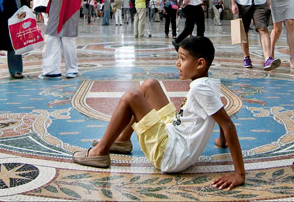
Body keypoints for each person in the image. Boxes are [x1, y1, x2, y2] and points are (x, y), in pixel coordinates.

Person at [71, 36, 246, 191]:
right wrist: (222, 142)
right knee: (150, 84)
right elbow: (222, 115)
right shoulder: (209, 84)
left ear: (200, 63)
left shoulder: (200, 88)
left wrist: (239, 173)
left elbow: (227, 124)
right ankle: (123, 141)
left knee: (131, 97)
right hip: (174, 135)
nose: (177, 63)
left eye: (182, 59)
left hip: (171, 155)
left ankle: (99, 153)